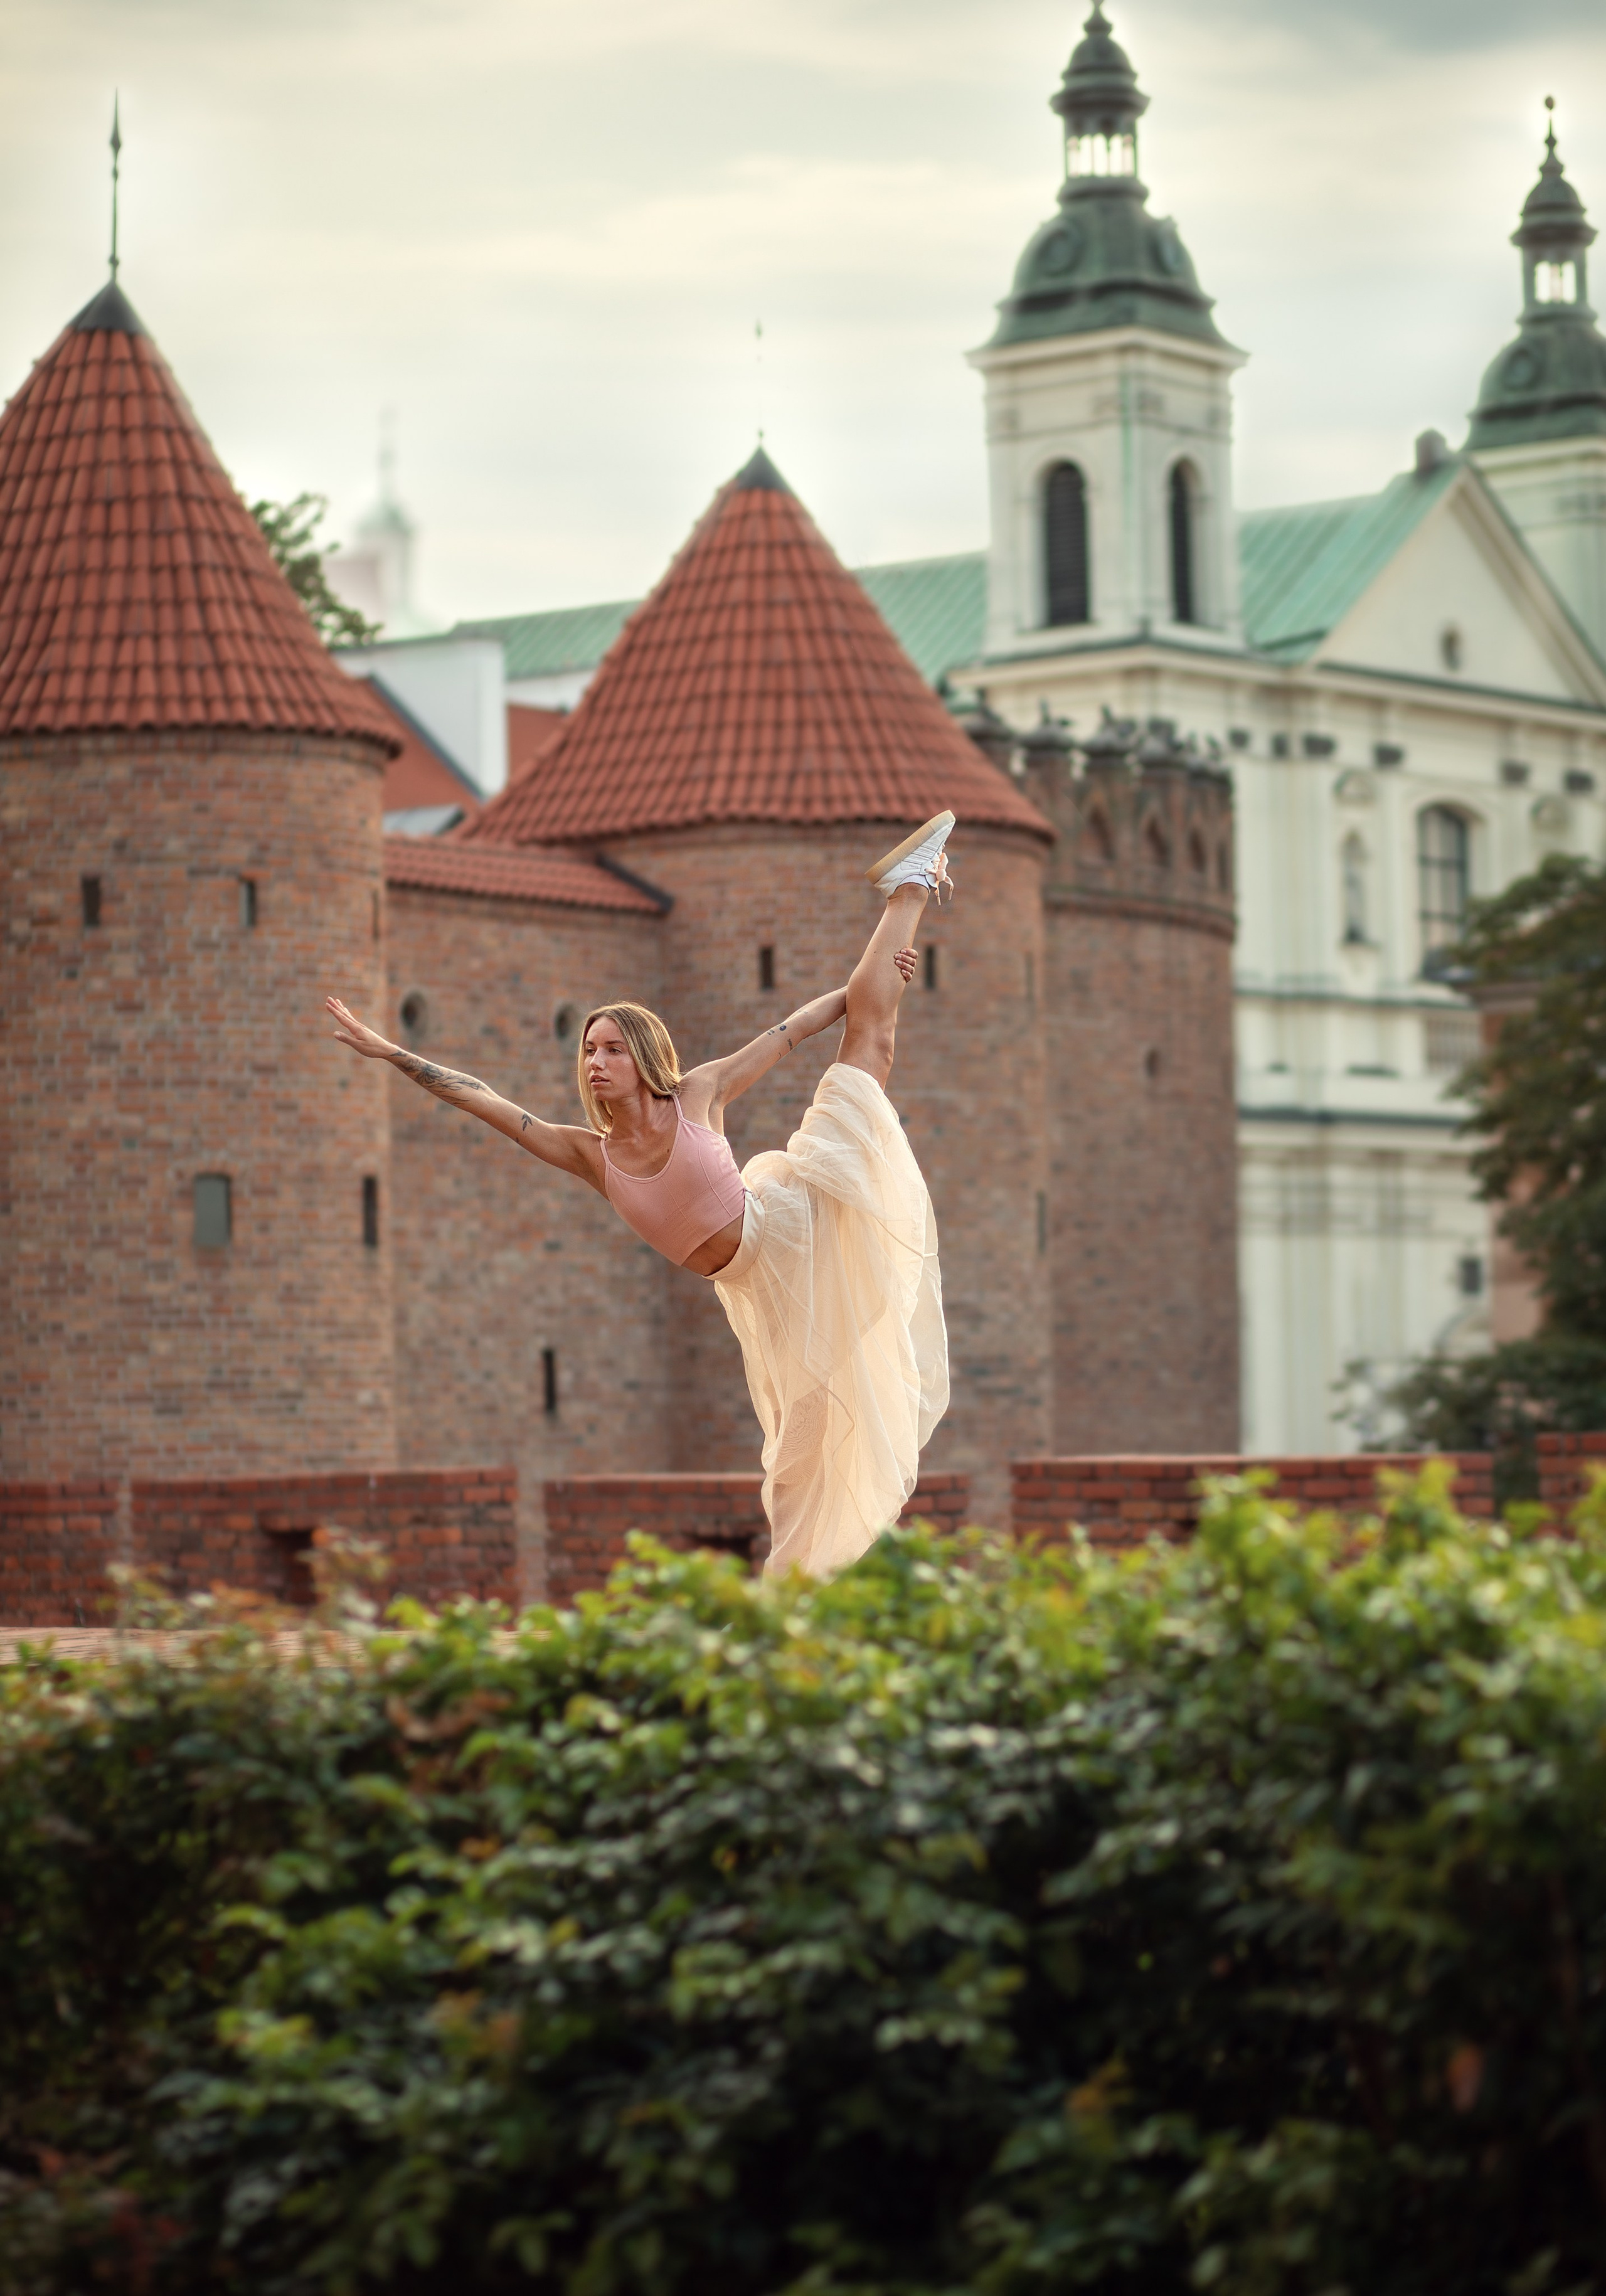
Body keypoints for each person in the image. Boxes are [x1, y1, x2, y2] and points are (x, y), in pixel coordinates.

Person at [327, 812, 955, 1576]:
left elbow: (788, 1033)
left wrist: (865, 989)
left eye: (612, 1049)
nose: (595, 1062)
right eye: (588, 1049)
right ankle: (803, 1590)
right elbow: (481, 1098)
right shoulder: (592, 1157)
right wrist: (390, 1050)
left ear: (644, 1058)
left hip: (795, 1227)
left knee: (871, 1045)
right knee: (805, 1445)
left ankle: (913, 883)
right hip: (759, 1287)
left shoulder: (696, 1097)